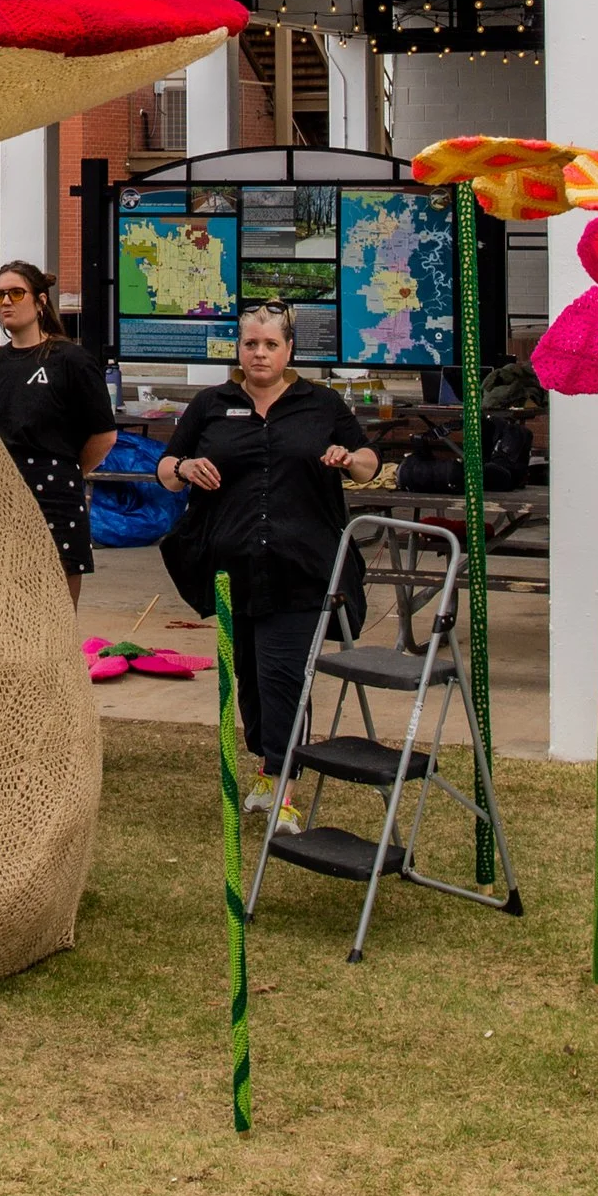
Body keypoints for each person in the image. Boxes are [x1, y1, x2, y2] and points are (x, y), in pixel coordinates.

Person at [155, 304, 378, 830]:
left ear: (289, 351)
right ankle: (267, 765)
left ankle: (287, 793)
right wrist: (185, 468)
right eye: (251, 344)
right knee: (250, 681)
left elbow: (370, 464)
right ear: (239, 349)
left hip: (301, 567)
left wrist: (348, 460)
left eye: (270, 345)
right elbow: (165, 467)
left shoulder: (321, 404)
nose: (259, 354)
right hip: (233, 568)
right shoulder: (212, 404)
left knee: (284, 677)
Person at [0, 261, 118, 606]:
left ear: (40, 301)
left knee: (57, 612)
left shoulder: (71, 360)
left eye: (16, 293)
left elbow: (103, 435)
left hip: (56, 495)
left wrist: (68, 472)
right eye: (0, 294)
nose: (6, 301)